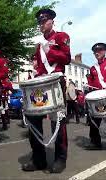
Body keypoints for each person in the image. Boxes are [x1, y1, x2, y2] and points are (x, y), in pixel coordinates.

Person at [22, 8, 70, 173]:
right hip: (41, 85)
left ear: (52, 21)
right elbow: (41, 67)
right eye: (40, 22)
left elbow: (67, 58)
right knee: (33, 118)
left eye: (44, 21)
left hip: (56, 81)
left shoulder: (62, 37)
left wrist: (51, 51)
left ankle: (60, 158)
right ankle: (39, 159)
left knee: (58, 120)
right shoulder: (38, 45)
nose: (42, 24)